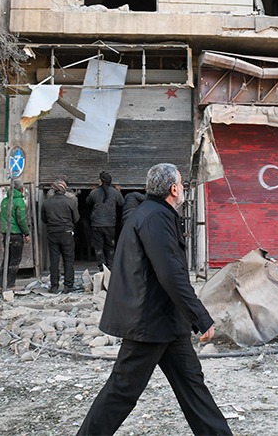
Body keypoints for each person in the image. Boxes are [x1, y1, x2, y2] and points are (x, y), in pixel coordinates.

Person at [77, 163, 231, 436]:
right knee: (122, 391)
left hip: (167, 323)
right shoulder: (156, 218)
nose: (182, 188)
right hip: (149, 323)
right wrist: (201, 317)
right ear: (173, 189)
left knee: (193, 387)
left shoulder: (151, 214)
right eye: (181, 184)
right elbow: (171, 275)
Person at [41, 179, 80, 294]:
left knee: (54, 261)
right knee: (68, 259)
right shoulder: (70, 202)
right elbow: (76, 218)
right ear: (63, 189)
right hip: (67, 233)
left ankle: (54, 286)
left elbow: (43, 219)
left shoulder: (46, 203)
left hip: (52, 233)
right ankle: (68, 286)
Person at [86, 171, 124, 270]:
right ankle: (110, 267)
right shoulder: (115, 192)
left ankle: (101, 267)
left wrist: (93, 190)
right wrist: (119, 191)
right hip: (110, 224)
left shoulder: (94, 192)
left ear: (100, 180)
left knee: (99, 247)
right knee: (110, 246)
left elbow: (88, 202)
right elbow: (121, 203)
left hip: (96, 224)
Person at [0, 180, 30, 290]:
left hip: (6, 234)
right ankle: (10, 284)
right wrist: (26, 233)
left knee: (5, 259)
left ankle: (0, 284)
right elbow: (21, 219)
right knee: (15, 260)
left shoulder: (4, 201)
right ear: (21, 189)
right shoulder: (19, 201)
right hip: (16, 234)